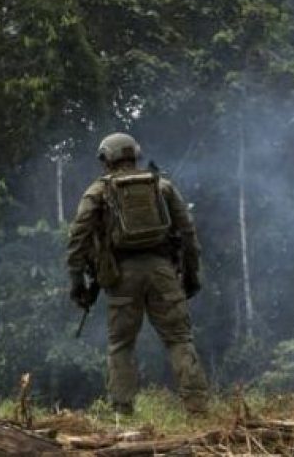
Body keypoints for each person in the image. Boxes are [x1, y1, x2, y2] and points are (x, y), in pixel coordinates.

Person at [66, 132, 209, 415]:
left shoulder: (97, 191)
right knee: (179, 339)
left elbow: (77, 240)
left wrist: (77, 284)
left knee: (121, 344)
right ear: (135, 154)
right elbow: (188, 234)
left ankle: (122, 412)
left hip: (120, 277)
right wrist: (191, 276)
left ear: (106, 158)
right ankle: (197, 409)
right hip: (163, 272)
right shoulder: (162, 186)